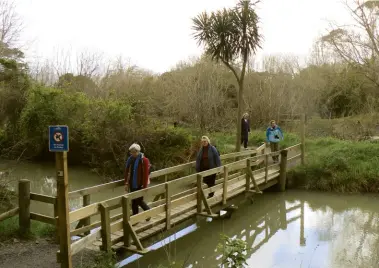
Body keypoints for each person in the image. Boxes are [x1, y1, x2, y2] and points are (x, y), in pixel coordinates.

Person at [124, 143, 151, 220]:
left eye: (134, 152)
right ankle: (135, 218)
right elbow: (126, 171)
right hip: (132, 183)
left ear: (138, 151)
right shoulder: (130, 159)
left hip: (140, 184)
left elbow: (146, 174)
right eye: (131, 152)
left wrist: (145, 187)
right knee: (133, 201)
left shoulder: (144, 160)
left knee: (139, 201)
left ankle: (148, 213)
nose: (133, 154)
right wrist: (126, 183)